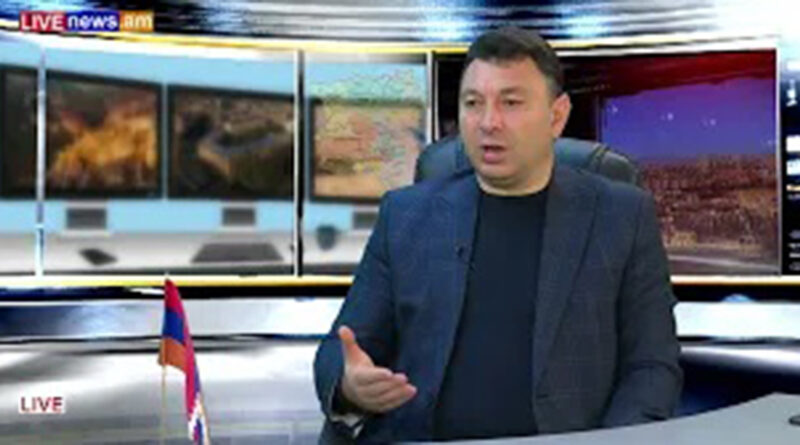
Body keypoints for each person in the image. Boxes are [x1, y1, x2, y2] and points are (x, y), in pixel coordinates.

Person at [314, 26, 682, 443]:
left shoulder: (622, 216)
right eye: (473, 103)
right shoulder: (406, 215)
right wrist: (350, 385)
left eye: (511, 102)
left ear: (556, 116)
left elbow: (652, 366)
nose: (489, 122)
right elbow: (341, 348)